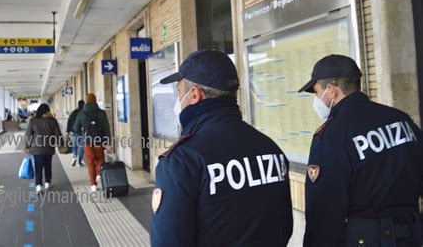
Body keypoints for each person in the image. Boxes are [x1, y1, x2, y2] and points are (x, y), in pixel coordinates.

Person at [150, 49, 293, 246]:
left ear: (195, 95)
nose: (177, 100)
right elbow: (285, 227)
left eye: (179, 92)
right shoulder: (270, 148)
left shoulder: (181, 161)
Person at [299, 54, 423, 246]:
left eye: (316, 92)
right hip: (413, 234)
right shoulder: (400, 119)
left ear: (331, 90)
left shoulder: (331, 135)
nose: (317, 99)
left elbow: (324, 212)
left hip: (368, 239)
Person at [74, 93, 110, 194]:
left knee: (90, 162)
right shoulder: (102, 113)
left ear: (86, 101)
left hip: (87, 142)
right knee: (101, 159)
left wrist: (82, 135)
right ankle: (99, 173)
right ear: (95, 101)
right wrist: (107, 142)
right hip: (99, 141)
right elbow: (106, 128)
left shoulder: (81, 114)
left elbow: (76, 128)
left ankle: (93, 185)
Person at [24, 104, 64, 194]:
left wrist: (26, 146)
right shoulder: (52, 121)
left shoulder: (33, 121)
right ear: (47, 111)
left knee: (38, 166)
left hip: (36, 148)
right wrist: (61, 144)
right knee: (47, 164)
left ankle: (38, 186)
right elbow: (58, 134)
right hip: (49, 147)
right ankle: (47, 183)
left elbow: (28, 135)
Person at [66, 100, 85, 167]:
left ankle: (74, 157)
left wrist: (67, 131)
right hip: (83, 132)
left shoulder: (74, 112)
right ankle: (79, 162)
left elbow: (69, 121)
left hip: (75, 132)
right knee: (81, 147)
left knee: (74, 146)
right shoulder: (84, 112)